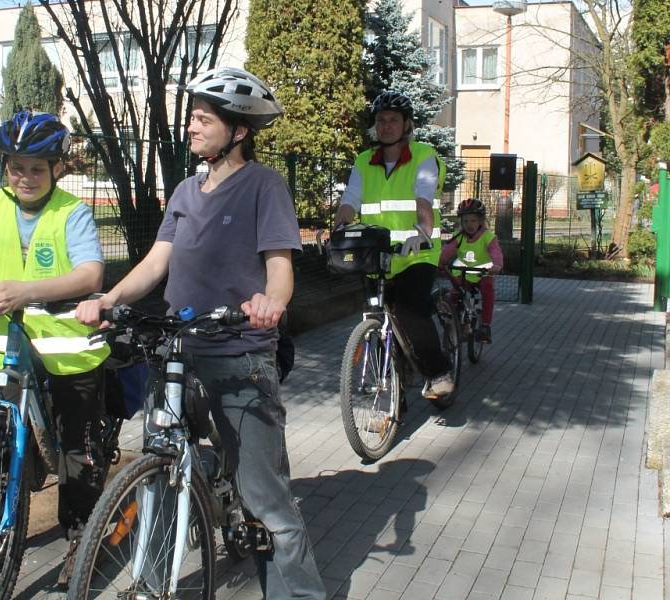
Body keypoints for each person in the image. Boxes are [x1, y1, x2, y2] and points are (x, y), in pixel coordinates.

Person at [76, 67, 326, 600]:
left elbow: (280, 267)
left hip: (239, 352)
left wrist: (270, 303)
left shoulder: (265, 186)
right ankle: (152, 585)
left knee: (265, 497)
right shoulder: (187, 190)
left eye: (201, 119)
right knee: (162, 470)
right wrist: (109, 299)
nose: (190, 127)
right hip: (176, 353)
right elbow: (156, 261)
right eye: (192, 117)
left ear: (238, 131)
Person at [0, 111, 110, 589]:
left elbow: (92, 276)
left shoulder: (72, 211)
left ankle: (80, 535)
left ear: (55, 168)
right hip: (5, 348)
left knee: (77, 450)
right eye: (16, 167)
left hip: (69, 349)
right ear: (4, 167)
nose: (25, 177)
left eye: (36, 168)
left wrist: (27, 292)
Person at [334, 90, 454, 400]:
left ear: (407, 125)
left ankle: (438, 372)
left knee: (409, 312)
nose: (386, 126)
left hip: (418, 251)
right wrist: (339, 226)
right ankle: (392, 402)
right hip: (379, 256)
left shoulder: (423, 156)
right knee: (378, 318)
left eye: (393, 120)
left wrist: (423, 230)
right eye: (381, 120)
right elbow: (350, 200)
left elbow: (423, 197)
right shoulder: (364, 161)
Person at [439, 198, 503, 342]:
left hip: (483, 273)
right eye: (466, 221)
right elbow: (447, 252)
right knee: (454, 296)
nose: (469, 225)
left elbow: (496, 252)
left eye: (473, 221)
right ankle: (459, 323)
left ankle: (485, 326)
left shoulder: (488, 237)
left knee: (488, 288)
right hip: (463, 273)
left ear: (480, 221)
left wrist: (497, 265)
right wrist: (438, 263)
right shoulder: (459, 237)